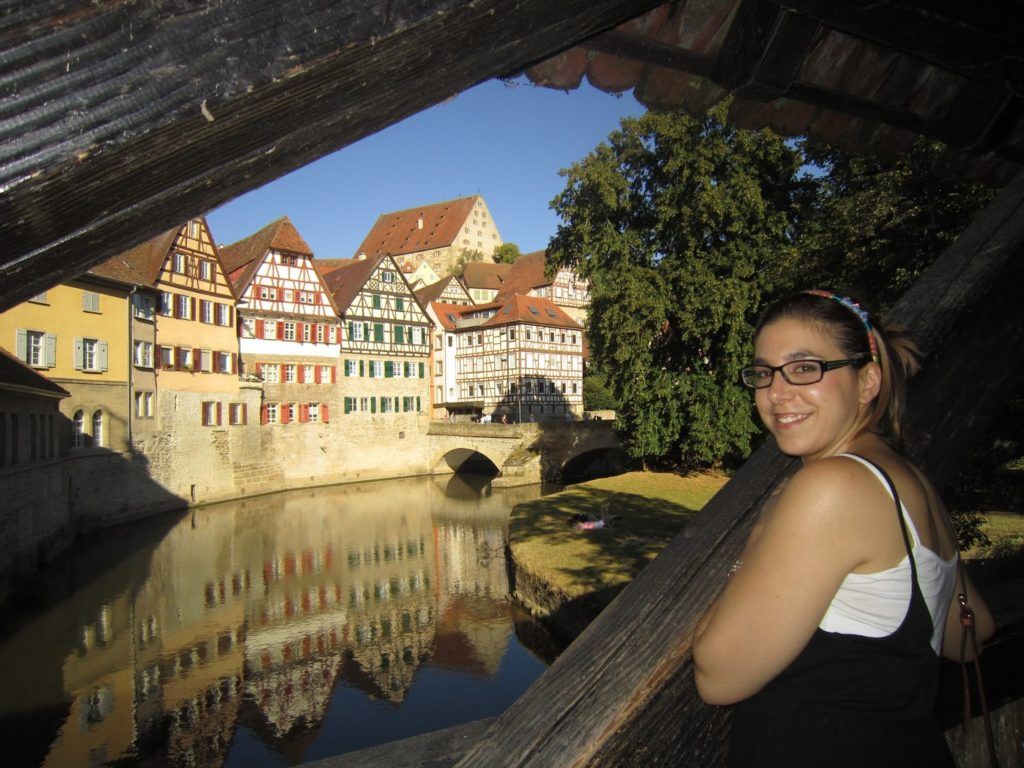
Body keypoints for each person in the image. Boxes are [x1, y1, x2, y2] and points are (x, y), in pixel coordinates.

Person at [691, 290, 995, 767]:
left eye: (805, 368)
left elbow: (718, 676)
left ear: (868, 380)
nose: (776, 392)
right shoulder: (909, 480)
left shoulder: (833, 486)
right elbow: (970, 633)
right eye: (763, 372)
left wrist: (759, 535)